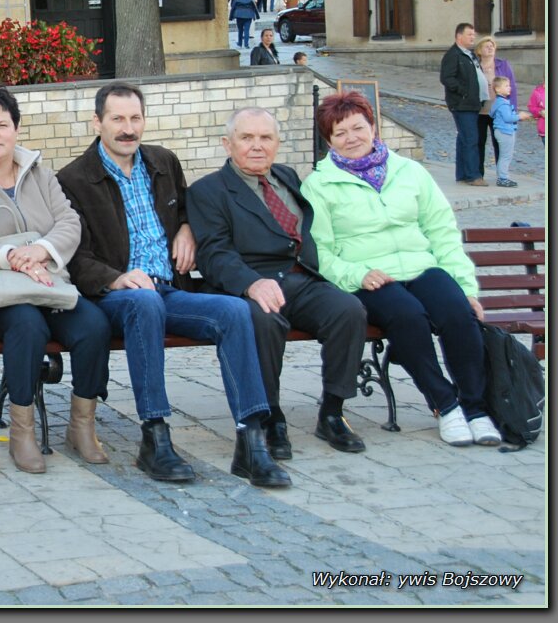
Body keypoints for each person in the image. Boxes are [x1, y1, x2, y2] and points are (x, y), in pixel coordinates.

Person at [57, 82, 291, 488]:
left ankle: (251, 442)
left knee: (235, 310)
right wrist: (115, 278)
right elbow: (75, 257)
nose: (128, 129)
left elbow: (186, 207)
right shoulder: (74, 179)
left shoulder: (163, 162)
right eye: (117, 119)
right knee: (145, 302)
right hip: (115, 298)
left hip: (171, 289)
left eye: (135, 119)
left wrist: (186, 229)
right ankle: (155, 435)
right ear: (97, 122)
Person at [300, 91, 501, 447]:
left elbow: (442, 232)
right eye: (340, 133)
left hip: (421, 266)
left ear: (373, 127)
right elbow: (322, 253)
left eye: (358, 128)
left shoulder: (410, 171)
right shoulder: (319, 184)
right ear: (329, 140)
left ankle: (476, 407)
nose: (352, 138)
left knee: (458, 313)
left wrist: (466, 288)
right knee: (407, 317)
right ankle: (446, 404)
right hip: (370, 276)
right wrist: (356, 274)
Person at [0, 86, 113, 474]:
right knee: (26, 323)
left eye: (2, 124)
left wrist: (42, 251)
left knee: (94, 325)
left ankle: (82, 426)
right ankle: (22, 432)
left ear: (16, 129)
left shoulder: (40, 174)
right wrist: (11, 257)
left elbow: (69, 222)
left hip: (46, 286)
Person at [187, 107, 368, 460]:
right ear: (228, 144)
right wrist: (251, 283)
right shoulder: (208, 190)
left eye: (266, 138)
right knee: (263, 320)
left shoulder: (286, 176)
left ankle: (332, 411)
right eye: (247, 138)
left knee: (348, 310)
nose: (257, 146)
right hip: (249, 282)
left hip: (300, 279)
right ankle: (271, 416)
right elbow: (214, 253)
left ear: (278, 143)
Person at [439, 22, 489, 186]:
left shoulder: (470, 54)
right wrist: (464, 92)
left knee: (464, 138)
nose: (473, 37)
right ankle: (473, 175)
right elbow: (447, 78)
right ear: (459, 36)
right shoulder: (453, 55)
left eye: (473, 35)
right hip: (462, 104)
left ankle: (462, 174)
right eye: (469, 34)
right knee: (470, 138)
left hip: (473, 103)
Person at [474, 35, 516, 178]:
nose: (491, 47)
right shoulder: (474, 66)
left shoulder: (502, 65)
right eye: (487, 45)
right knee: (479, 143)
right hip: (480, 112)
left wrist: (512, 111)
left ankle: (502, 175)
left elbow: (512, 89)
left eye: (492, 45)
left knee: (500, 143)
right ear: (479, 50)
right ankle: (478, 174)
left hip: (499, 112)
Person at [488, 76, 527, 188]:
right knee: (506, 156)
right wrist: (520, 116)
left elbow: (491, 114)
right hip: (505, 132)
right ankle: (503, 178)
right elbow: (508, 118)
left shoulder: (498, 102)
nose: (510, 88)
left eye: (509, 85)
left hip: (501, 131)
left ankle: (502, 176)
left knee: (504, 155)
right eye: (506, 86)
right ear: (497, 89)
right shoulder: (503, 104)